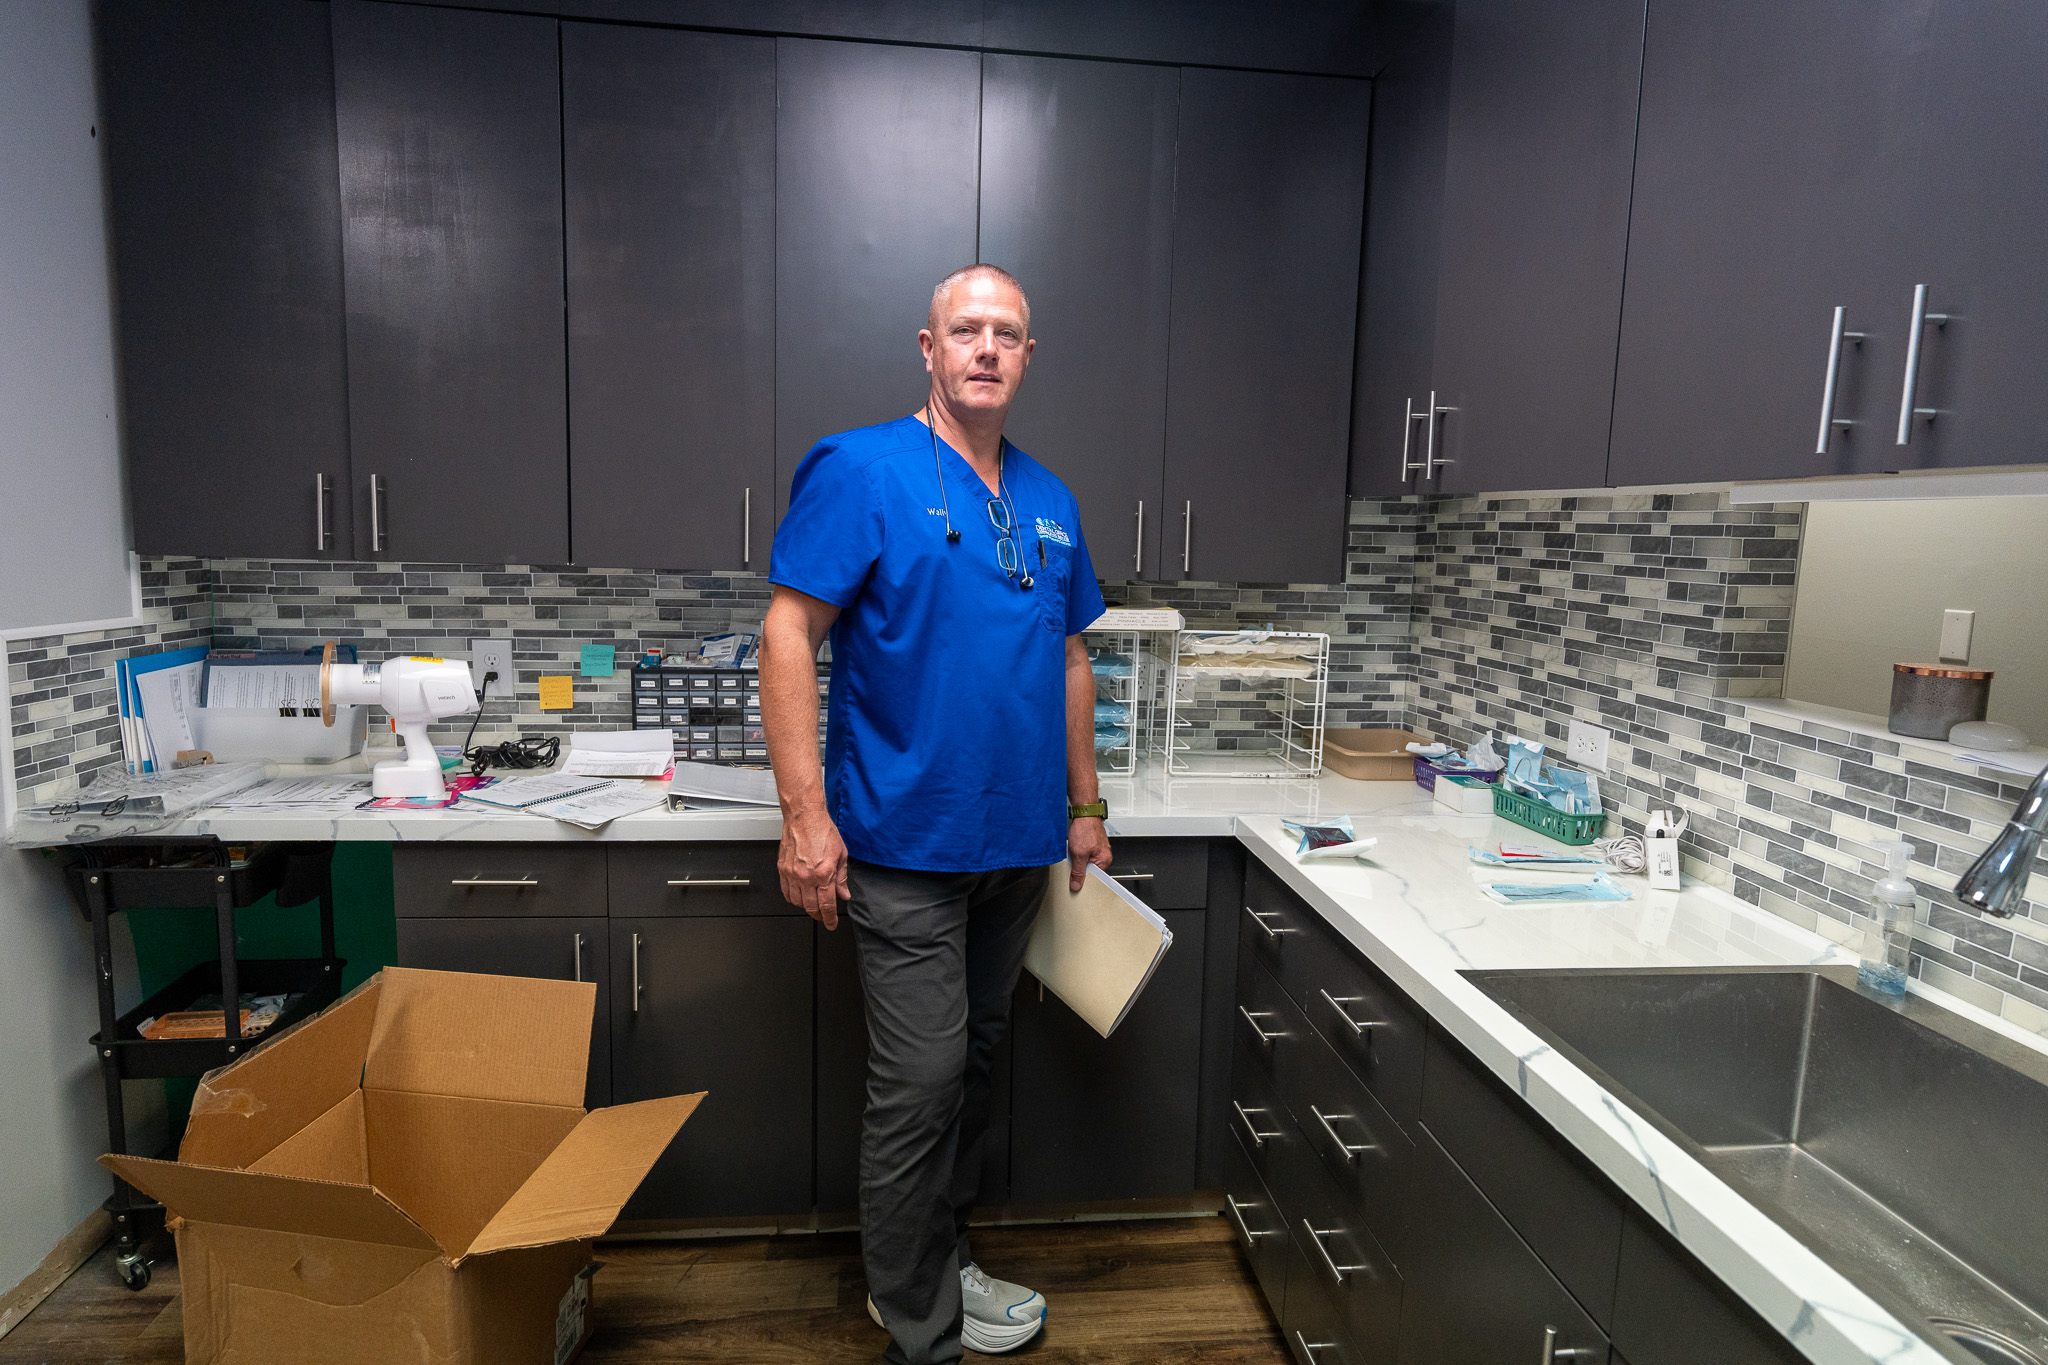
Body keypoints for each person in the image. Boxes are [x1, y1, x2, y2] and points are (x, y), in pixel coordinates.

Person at [759, 263, 1112, 1364]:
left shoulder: (1051, 501)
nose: (986, 348)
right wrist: (804, 818)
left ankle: (938, 1259)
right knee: (918, 1085)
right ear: (929, 347)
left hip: (1016, 846)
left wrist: (1085, 804)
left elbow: (1069, 659)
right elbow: (786, 634)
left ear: (1028, 356)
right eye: (966, 330)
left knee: (973, 1068)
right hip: (902, 844)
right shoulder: (862, 469)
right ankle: (919, 1326)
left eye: (1007, 333)